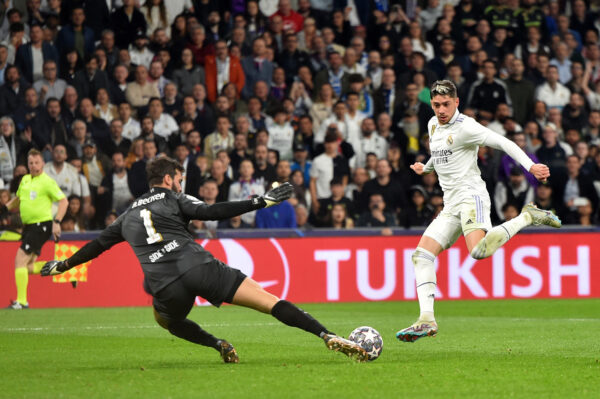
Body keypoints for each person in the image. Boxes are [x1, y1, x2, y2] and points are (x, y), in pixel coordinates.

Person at [40, 157, 367, 363]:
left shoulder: (125, 216)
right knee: (270, 301)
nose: (180, 185)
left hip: (165, 286)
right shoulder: (174, 198)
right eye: (179, 179)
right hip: (200, 267)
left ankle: (217, 343)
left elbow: (96, 246)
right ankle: (326, 335)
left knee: (165, 320)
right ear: (168, 179)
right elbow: (211, 211)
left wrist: (62, 266)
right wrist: (260, 201)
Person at [396, 80, 562, 343]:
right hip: (451, 204)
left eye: (446, 104)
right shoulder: (432, 124)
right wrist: (426, 168)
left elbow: (504, 143)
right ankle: (426, 320)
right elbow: (440, 154)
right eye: (436, 105)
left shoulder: (467, 127)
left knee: (478, 251)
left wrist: (530, 166)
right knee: (421, 256)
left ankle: (527, 216)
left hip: (472, 196)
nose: (441, 110)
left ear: (456, 102)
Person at [2, 149, 68, 309]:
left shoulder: (47, 182)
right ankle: (60, 266)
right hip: (29, 227)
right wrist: (4, 208)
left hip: (41, 225)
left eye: (37, 162)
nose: (34, 165)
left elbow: (63, 201)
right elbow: (18, 199)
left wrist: (57, 221)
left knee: (19, 260)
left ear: (43, 164)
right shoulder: (24, 179)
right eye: (31, 162)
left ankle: (22, 302)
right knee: (27, 266)